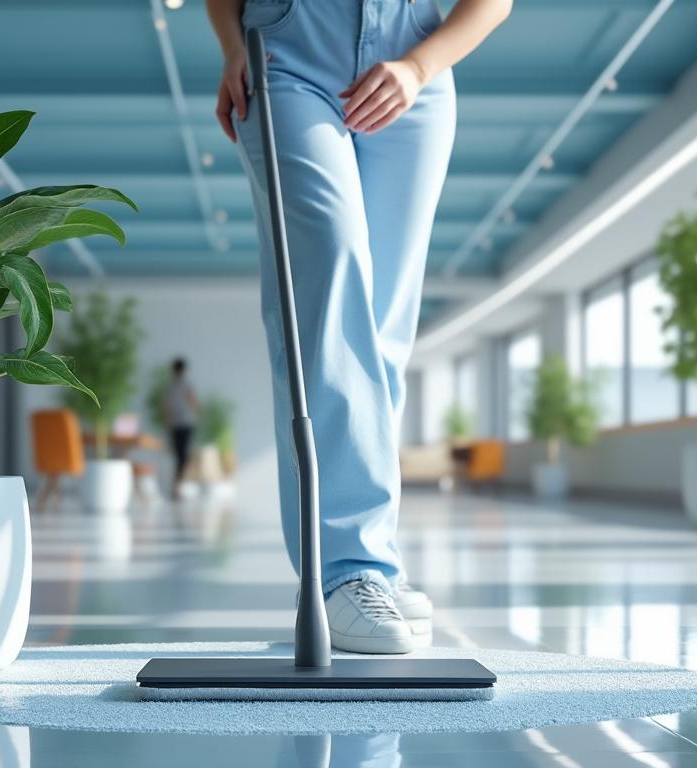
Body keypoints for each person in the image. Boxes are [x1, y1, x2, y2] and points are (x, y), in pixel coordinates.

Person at [207, 0, 512, 653]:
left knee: (380, 330)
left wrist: (417, 66)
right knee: (330, 280)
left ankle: (367, 559)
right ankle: (349, 568)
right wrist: (233, 45)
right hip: (288, 56)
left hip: (414, 68)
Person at [163, 358, 201, 500]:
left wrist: (167, 425)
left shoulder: (169, 387)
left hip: (175, 425)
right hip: (185, 424)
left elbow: (166, 408)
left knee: (180, 457)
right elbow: (193, 401)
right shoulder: (186, 385)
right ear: (184, 370)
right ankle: (178, 487)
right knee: (183, 457)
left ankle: (177, 487)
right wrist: (201, 412)